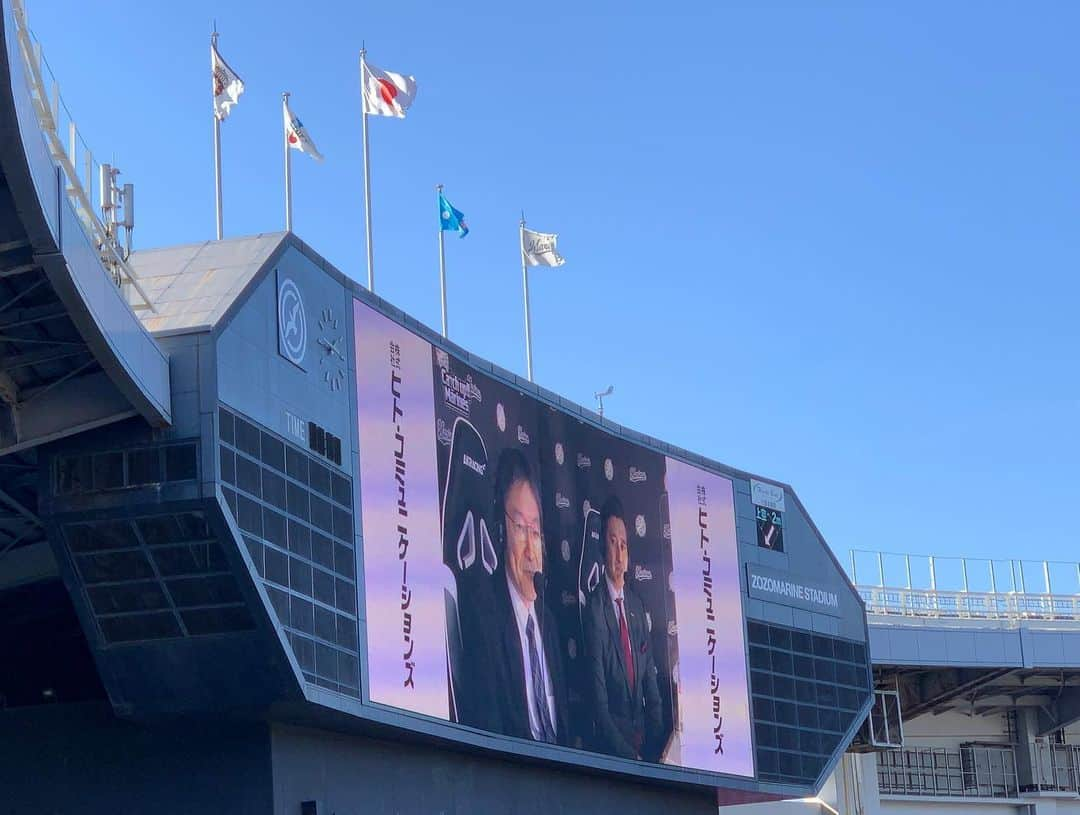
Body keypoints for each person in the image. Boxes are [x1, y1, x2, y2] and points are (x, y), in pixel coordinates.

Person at [474, 447, 568, 744]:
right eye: (520, 529)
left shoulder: (548, 623)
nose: (531, 549)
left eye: (536, 532)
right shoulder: (485, 619)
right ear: (501, 532)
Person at [584, 495, 663, 761]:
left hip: (646, 749)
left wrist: (656, 749)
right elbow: (599, 706)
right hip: (614, 754)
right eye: (612, 543)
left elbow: (652, 690)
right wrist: (631, 758)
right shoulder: (595, 610)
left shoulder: (637, 607)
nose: (619, 554)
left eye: (624, 545)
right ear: (601, 548)